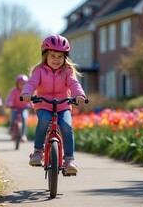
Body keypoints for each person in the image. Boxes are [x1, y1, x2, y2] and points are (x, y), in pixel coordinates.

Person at [20, 34, 86, 174]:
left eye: (59, 56)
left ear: (65, 57)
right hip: (44, 104)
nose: (56, 59)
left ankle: (69, 160)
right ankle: (38, 152)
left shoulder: (67, 71)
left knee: (67, 127)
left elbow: (74, 84)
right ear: (45, 56)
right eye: (52, 56)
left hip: (63, 106)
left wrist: (79, 95)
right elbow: (31, 83)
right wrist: (27, 93)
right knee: (44, 120)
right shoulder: (40, 71)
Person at [5, 74, 32, 142]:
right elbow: (10, 98)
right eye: (20, 83)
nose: (22, 85)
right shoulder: (14, 90)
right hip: (15, 107)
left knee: (24, 118)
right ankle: (11, 130)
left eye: (24, 83)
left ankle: (23, 135)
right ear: (17, 83)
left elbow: (31, 99)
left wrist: (32, 105)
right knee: (13, 117)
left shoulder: (27, 90)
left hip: (24, 108)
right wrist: (8, 104)